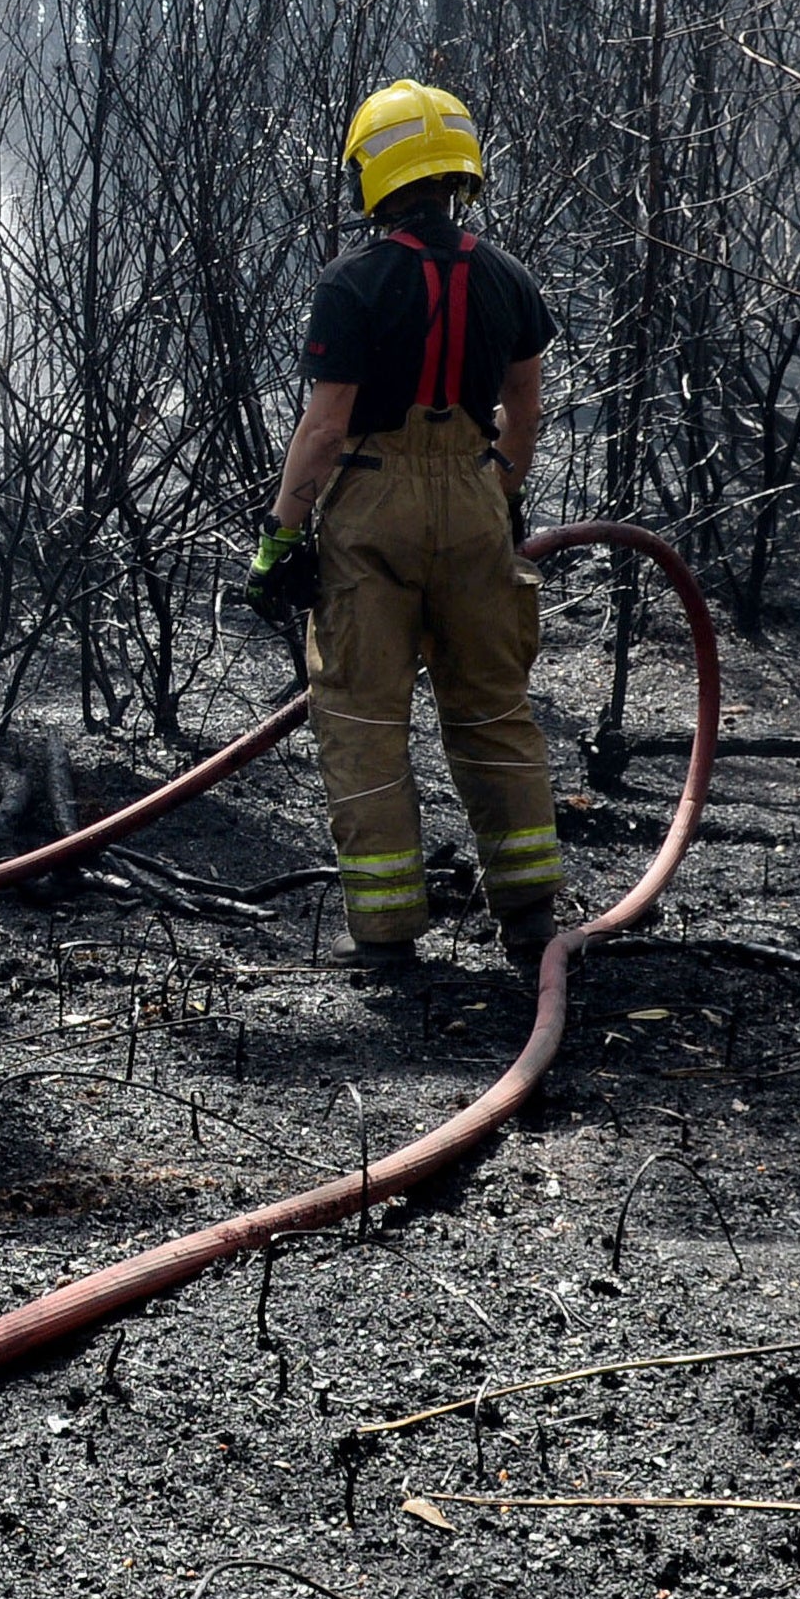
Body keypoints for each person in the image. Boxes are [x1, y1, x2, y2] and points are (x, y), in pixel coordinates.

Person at [246, 80, 563, 973]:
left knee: (361, 717)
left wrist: (279, 536)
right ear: (459, 171)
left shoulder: (351, 282)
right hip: (471, 500)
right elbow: (525, 397)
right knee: (494, 710)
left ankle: (385, 938)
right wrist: (500, 480)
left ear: (373, 174)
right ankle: (532, 920)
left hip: (374, 506)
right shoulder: (506, 276)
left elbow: (325, 422)